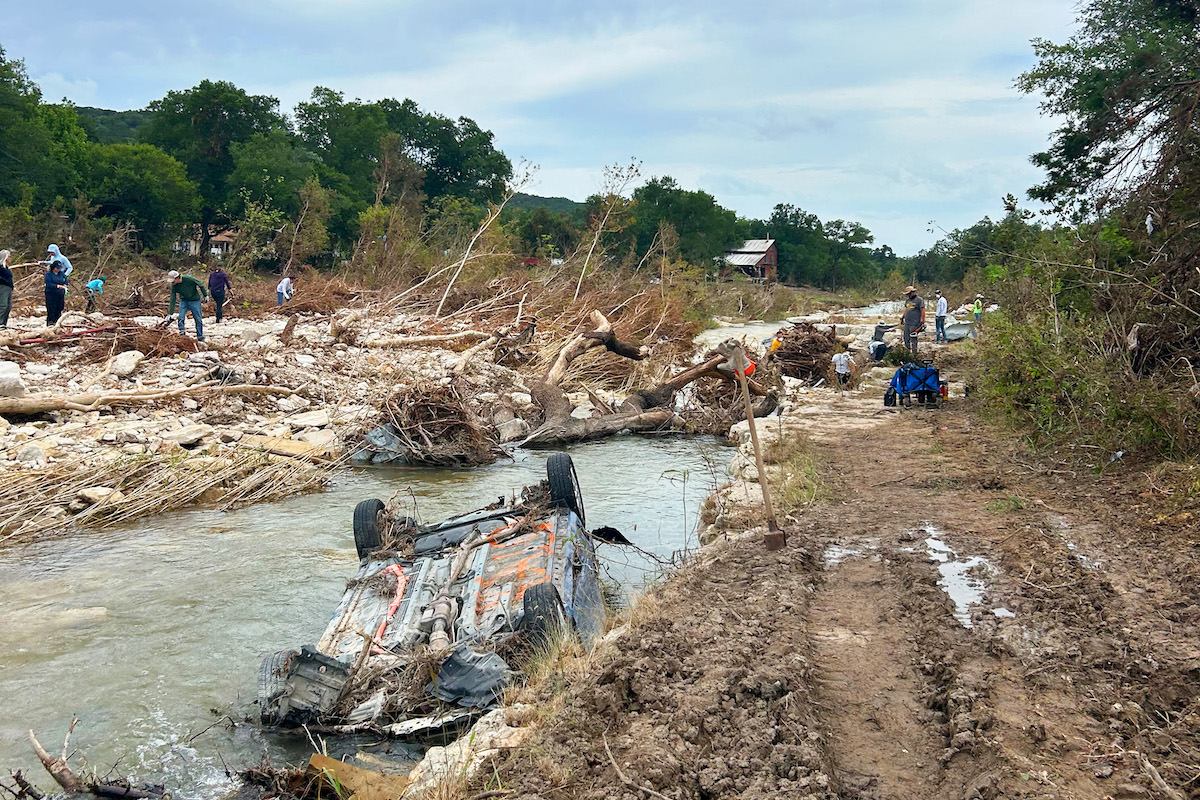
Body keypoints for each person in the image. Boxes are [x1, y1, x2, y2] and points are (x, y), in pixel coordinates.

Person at [167, 269, 208, 342]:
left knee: (198, 318)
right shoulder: (174, 286)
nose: (172, 283)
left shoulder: (189, 279)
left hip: (195, 300)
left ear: (178, 278)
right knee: (181, 317)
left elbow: (200, 284)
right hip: (184, 301)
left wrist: (205, 295)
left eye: (173, 281)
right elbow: (173, 298)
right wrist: (170, 313)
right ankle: (182, 333)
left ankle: (200, 336)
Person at [900, 285, 926, 354]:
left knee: (913, 339)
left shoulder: (919, 300)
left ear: (913, 292)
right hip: (907, 323)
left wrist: (923, 321)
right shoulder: (908, 301)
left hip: (915, 323)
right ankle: (908, 352)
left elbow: (922, 310)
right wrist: (902, 317)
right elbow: (906, 309)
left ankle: (914, 353)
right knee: (906, 339)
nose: (908, 295)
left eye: (909, 294)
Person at [0, 250, 13, 328]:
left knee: (8, 306)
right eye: (9, 256)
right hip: (2, 287)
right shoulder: (1, 268)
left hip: (8, 288)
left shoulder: (6, 267)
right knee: (3, 305)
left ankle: (4, 323)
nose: (10, 258)